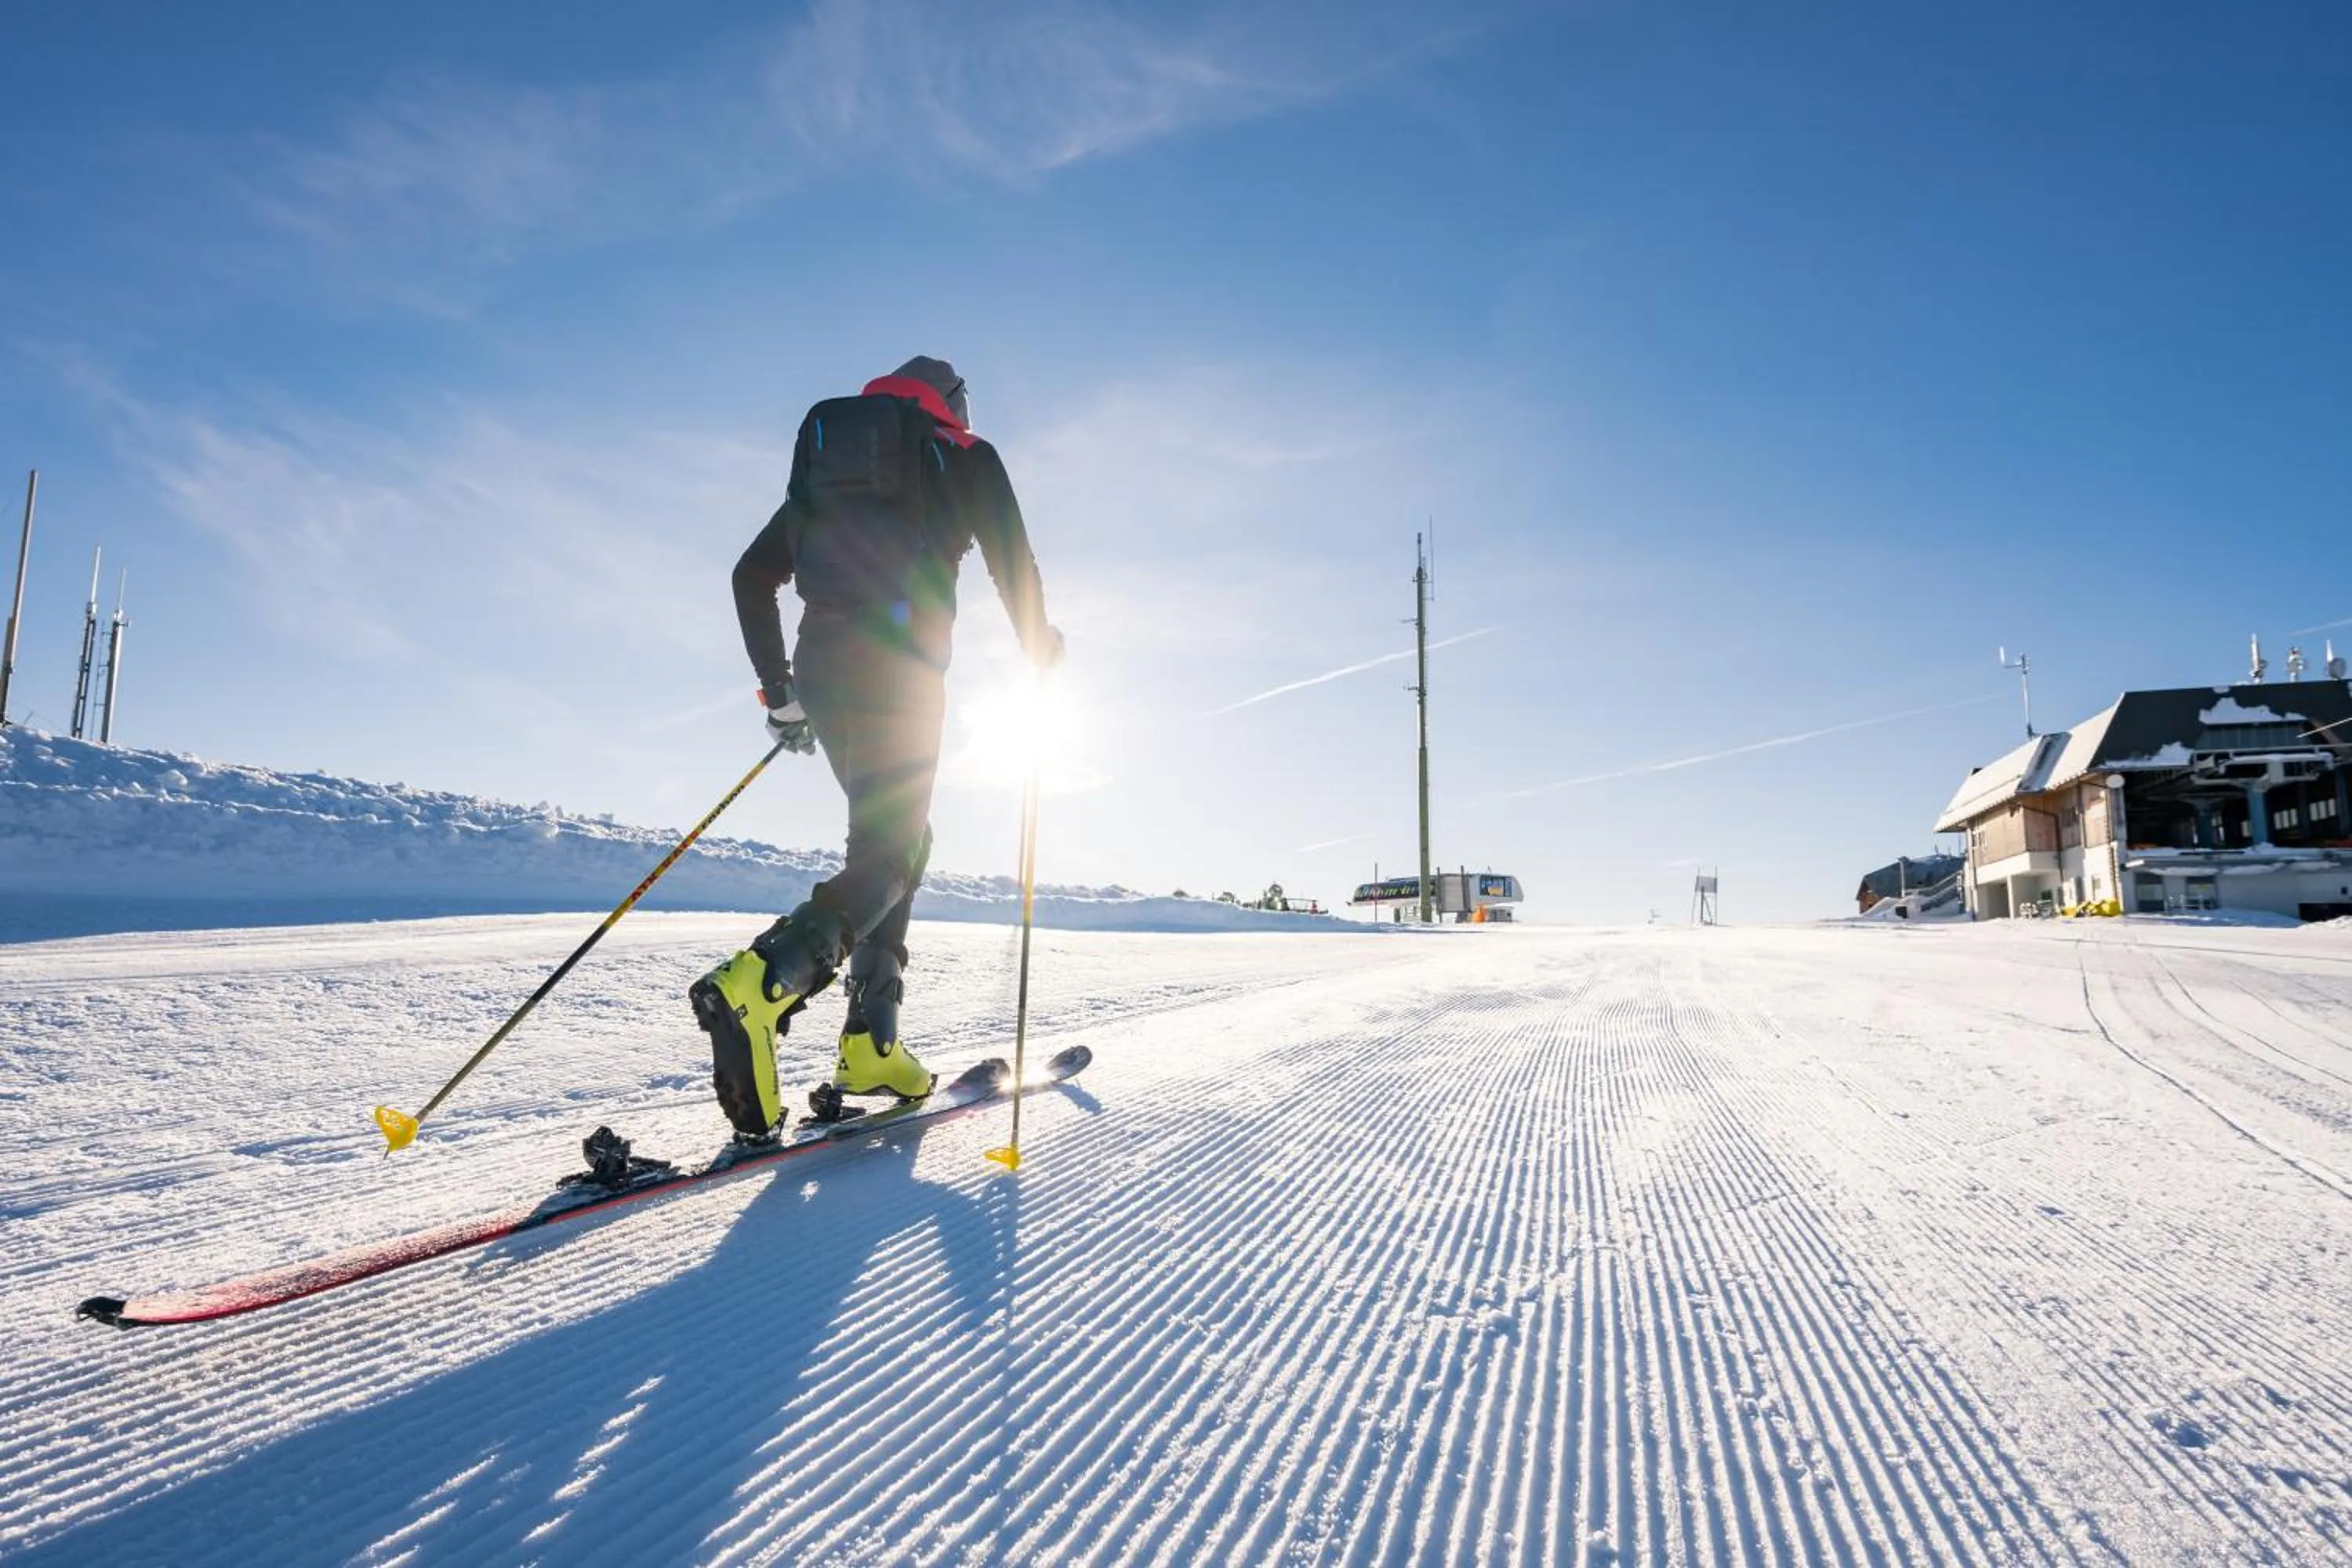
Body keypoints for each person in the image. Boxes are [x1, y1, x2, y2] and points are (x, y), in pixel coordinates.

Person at [691, 357, 1062, 1138]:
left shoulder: (832, 467)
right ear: (954, 403)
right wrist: (1039, 643)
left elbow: (751, 576)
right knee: (893, 853)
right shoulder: (963, 455)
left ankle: (871, 1044)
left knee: (896, 845)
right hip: (902, 672)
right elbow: (1012, 559)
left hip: (823, 672)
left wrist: (781, 692)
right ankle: (763, 981)